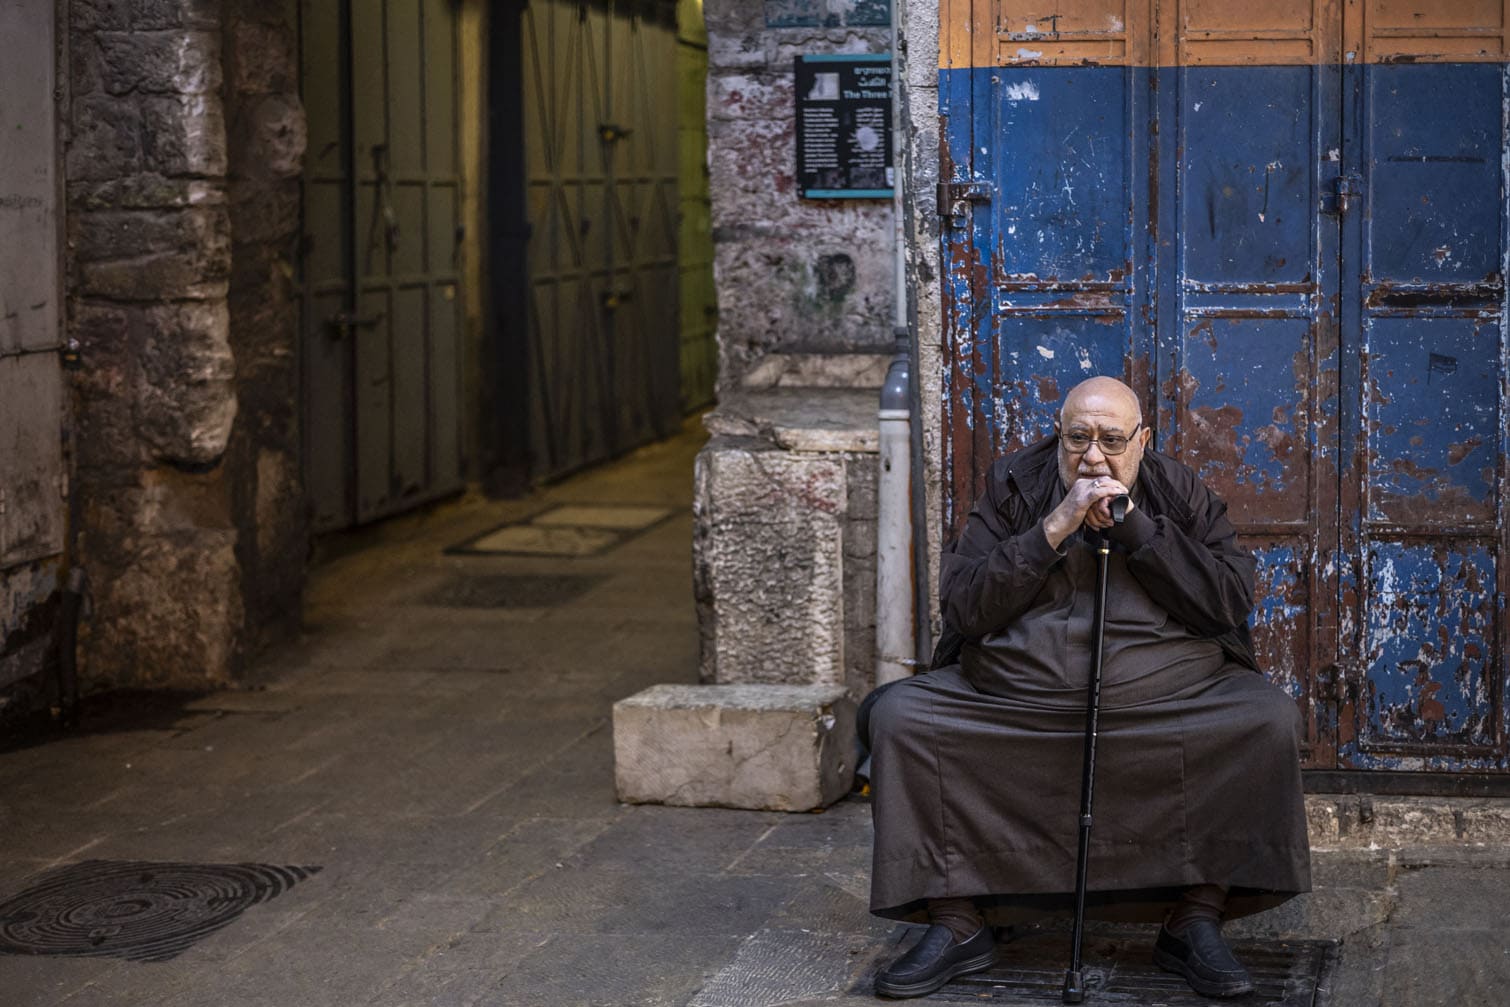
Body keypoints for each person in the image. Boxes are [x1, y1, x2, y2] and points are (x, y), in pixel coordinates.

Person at [862, 376, 1311, 1000]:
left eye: (1111, 440)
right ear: (1058, 435)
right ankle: (956, 919)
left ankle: (1194, 917)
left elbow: (1226, 601)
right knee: (904, 719)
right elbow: (965, 606)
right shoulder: (1016, 485)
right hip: (1013, 697)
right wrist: (1051, 530)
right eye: (1077, 439)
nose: (1093, 457)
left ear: (1143, 441)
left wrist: (1140, 534)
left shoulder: (1179, 491)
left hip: (1164, 696)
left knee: (1265, 721)